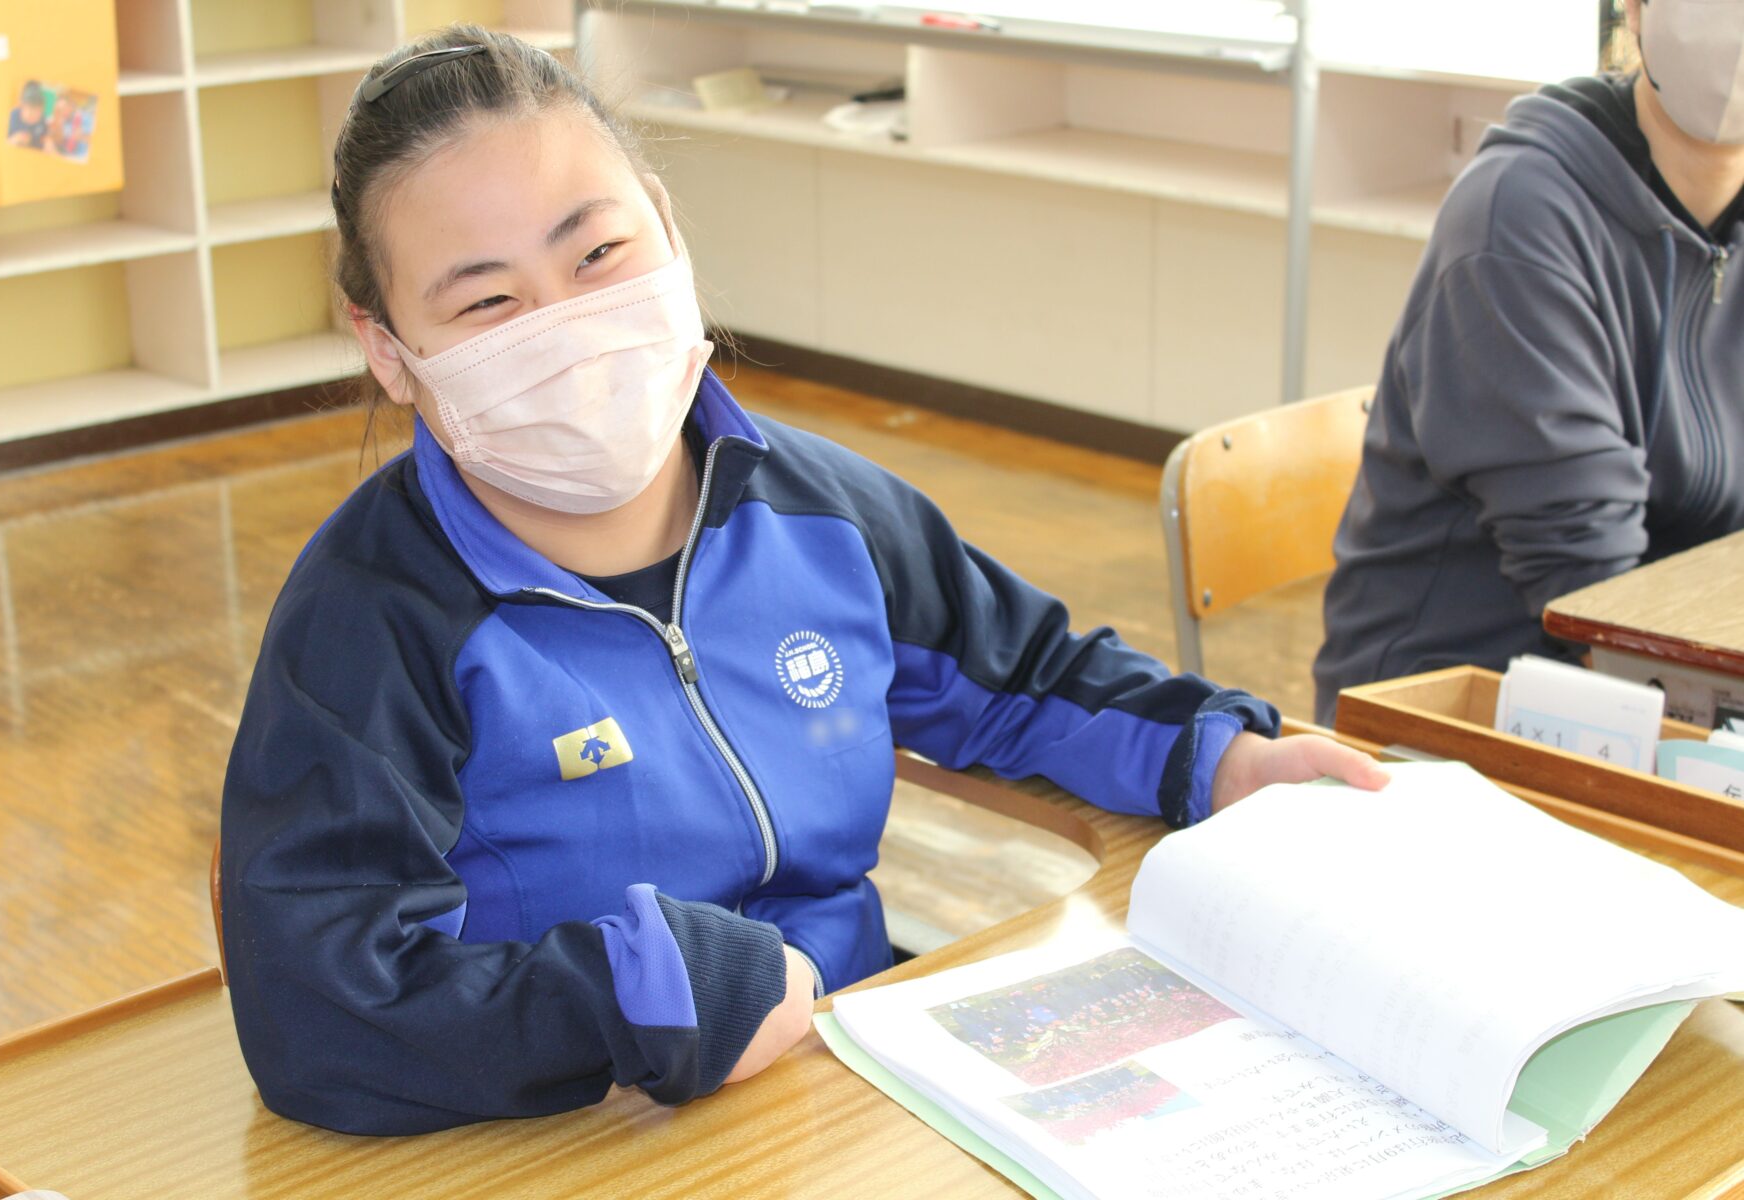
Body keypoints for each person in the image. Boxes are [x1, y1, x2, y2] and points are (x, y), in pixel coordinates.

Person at [220, 25, 1387, 1137]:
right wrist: (643, 999)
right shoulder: (371, 621)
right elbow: (319, 999)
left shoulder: (819, 513)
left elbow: (1025, 677)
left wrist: (1221, 755)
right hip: (583, 1132)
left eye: (597, 253)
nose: (567, 326)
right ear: (387, 348)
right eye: (487, 301)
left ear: (668, 226)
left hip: (856, 1080)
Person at [1313, 0, 1744, 724]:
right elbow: (1589, 593)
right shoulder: (1517, 217)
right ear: (1634, 10)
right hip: (1459, 715)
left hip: (1672, 685)